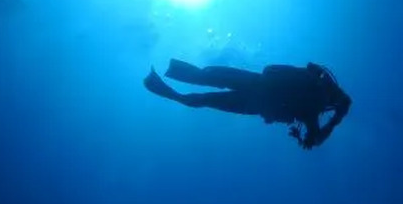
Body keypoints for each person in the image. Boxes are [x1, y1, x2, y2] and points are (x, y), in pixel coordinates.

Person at [143, 58, 352, 149]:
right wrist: (336, 120)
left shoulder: (317, 83)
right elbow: (313, 141)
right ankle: (164, 87)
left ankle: (167, 71)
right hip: (257, 103)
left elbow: (309, 66)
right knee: (208, 96)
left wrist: (335, 117)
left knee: (206, 76)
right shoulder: (314, 106)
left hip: (257, 85)